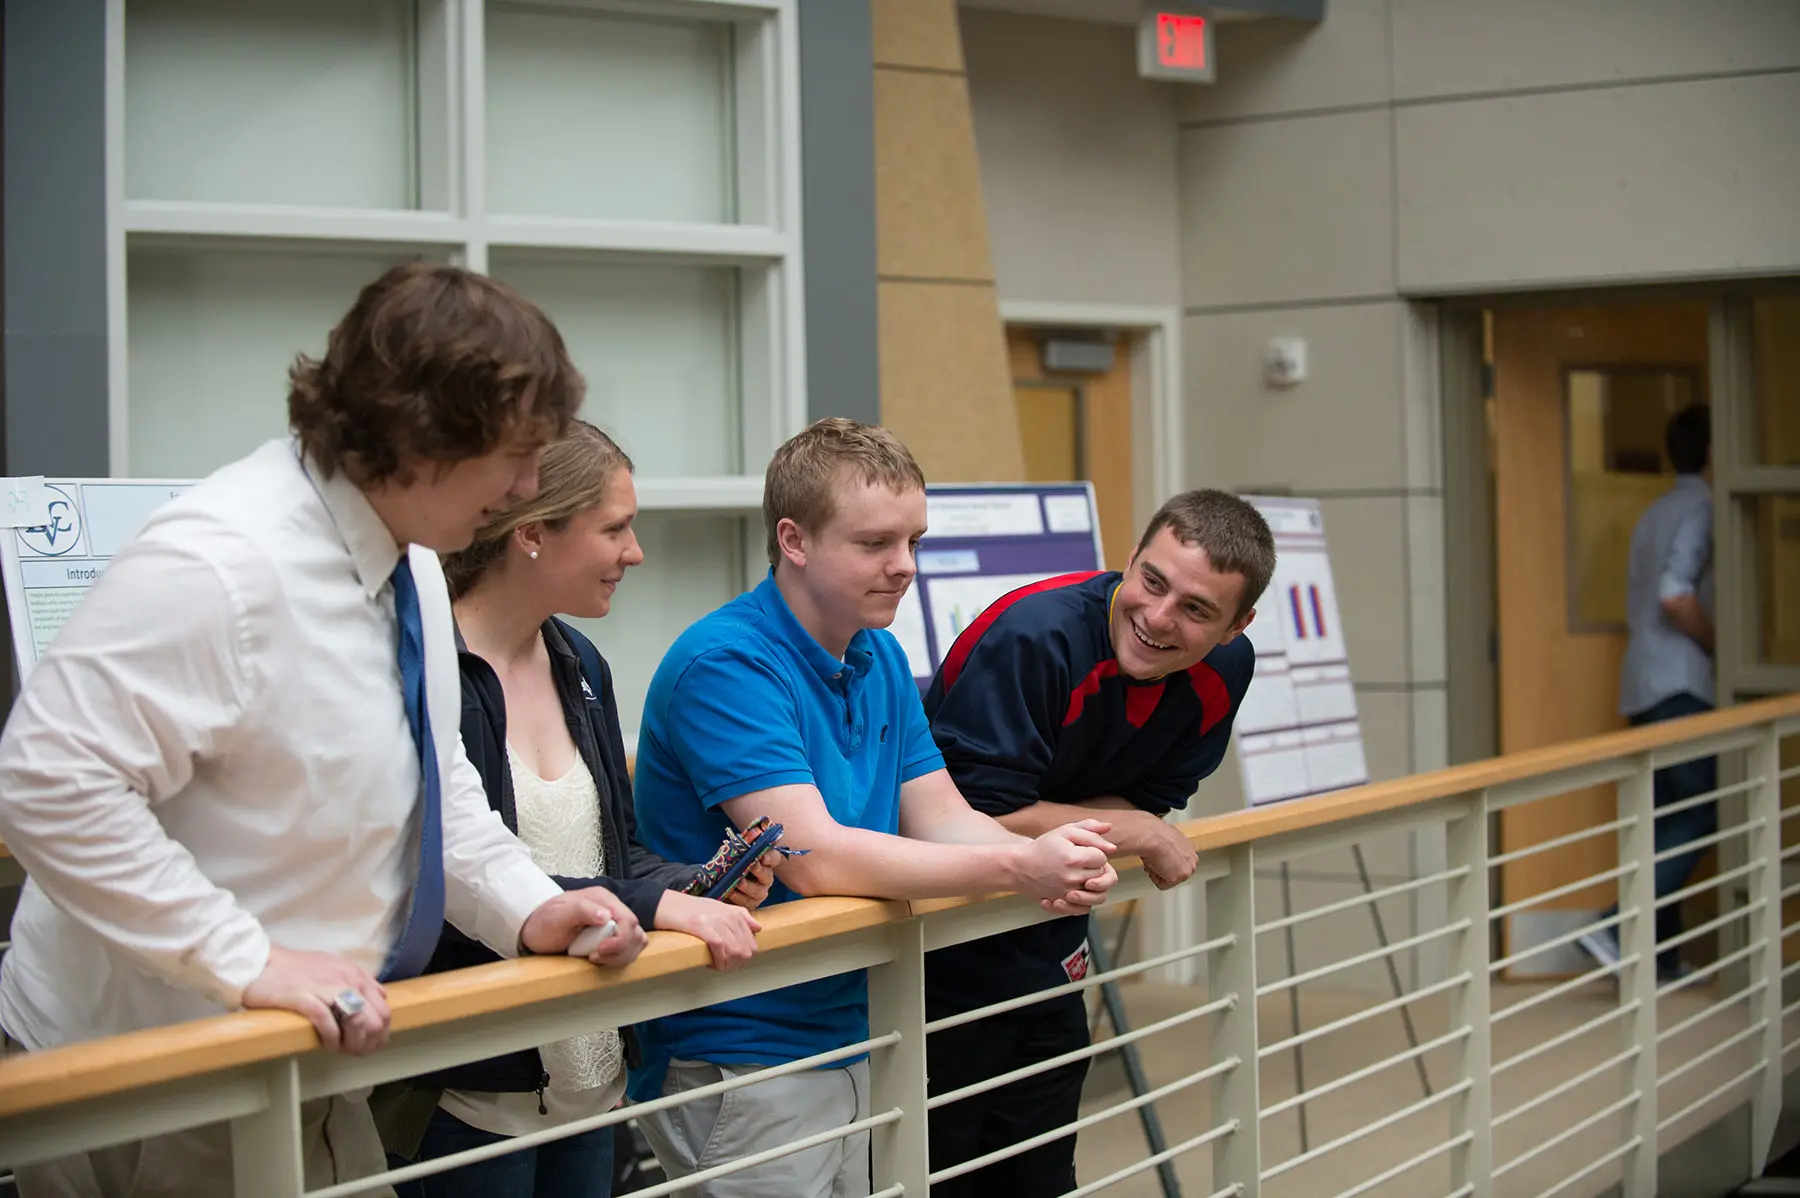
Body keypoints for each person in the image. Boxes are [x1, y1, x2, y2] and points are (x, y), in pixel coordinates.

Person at [0, 264, 649, 1198]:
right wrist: (248, 960)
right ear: (421, 437)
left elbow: (439, 793)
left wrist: (526, 904)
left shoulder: (414, 566)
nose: (528, 486)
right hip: (144, 1059)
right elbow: (45, 788)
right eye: (514, 454)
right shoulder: (221, 560)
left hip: (294, 1050)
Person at [627, 418, 1122, 1198]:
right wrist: (1019, 864)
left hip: (860, 1025)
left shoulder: (876, 650)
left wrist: (1039, 862)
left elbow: (941, 813)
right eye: (874, 544)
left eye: (915, 542)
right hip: (745, 1048)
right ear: (793, 540)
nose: (904, 567)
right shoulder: (725, 663)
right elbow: (815, 857)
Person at [374, 421, 772, 1197]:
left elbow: (613, 860)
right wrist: (656, 902)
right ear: (530, 533)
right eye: (615, 528)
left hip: (591, 1084)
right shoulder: (429, 674)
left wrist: (696, 884)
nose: (636, 552)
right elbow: (456, 886)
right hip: (470, 1098)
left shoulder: (578, 661)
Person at [920, 489, 1271, 1195]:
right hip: (940, 942)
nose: (1158, 618)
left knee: (1042, 1163)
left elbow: (1146, 798)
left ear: (1237, 626)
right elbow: (962, 817)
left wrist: (1124, 819)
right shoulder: (1033, 636)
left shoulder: (1226, 672)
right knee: (941, 1165)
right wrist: (1138, 832)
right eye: (1152, 581)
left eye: (1197, 610)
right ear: (1130, 561)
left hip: (1050, 935)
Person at [1579, 403, 1717, 981]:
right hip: (1682, 683)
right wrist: (1721, 645)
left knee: (1665, 819)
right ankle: (1615, 926)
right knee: (1701, 814)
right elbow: (1674, 593)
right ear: (1715, 451)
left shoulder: (1655, 510)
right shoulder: (1705, 508)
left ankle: (1658, 957)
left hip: (1644, 681)